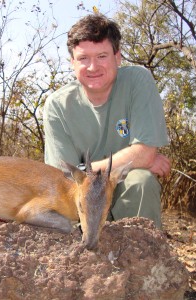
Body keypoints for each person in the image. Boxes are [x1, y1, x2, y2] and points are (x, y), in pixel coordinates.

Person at [43, 14, 171, 229]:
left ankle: (140, 254)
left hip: (123, 186)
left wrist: (83, 169)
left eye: (102, 56)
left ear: (117, 57)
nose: (93, 67)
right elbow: (62, 178)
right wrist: (136, 158)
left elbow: (145, 153)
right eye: (83, 58)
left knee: (142, 181)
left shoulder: (138, 81)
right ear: (72, 62)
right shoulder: (57, 105)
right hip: (81, 195)